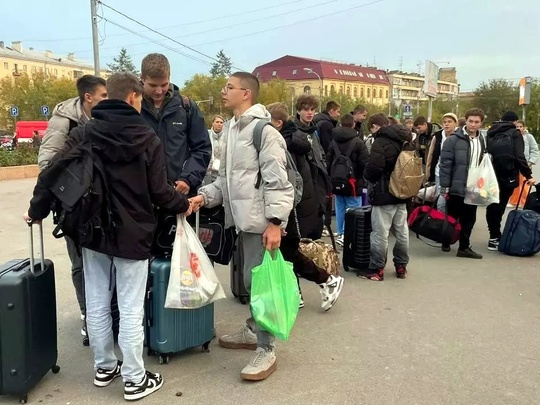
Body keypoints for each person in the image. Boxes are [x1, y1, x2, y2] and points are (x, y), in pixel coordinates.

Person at [24, 72, 192, 400]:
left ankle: (104, 367)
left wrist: (36, 210)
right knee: (130, 307)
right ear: (132, 98)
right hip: (133, 234)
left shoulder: (86, 132)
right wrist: (182, 203)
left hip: (92, 232)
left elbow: (52, 173)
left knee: (98, 300)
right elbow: (160, 193)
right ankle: (134, 379)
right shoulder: (146, 138)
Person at [190, 72, 294, 382]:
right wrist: (204, 196)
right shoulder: (232, 130)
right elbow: (225, 180)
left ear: (246, 93)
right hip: (241, 221)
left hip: (260, 223)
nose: (223, 91)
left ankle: (266, 349)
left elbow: (279, 182)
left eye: (229, 87)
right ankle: (252, 331)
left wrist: (275, 223)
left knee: (258, 285)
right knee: (250, 282)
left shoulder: (264, 132)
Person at [37, 74, 107, 336]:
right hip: (74, 208)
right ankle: (88, 317)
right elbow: (47, 166)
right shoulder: (63, 121)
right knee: (80, 264)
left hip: (101, 205)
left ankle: (105, 315)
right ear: (88, 98)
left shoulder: (103, 118)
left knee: (104, 263)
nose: (107, 100)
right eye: (103, 96)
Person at [267, 102, 344, 311]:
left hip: (293, 206)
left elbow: (289, 180)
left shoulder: (286, 144)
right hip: (298, 204)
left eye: (268, 122)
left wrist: (281, 213)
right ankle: (297, 292)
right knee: (286, 252)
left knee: (288, 252)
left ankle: (327, 280)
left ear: (278, 123)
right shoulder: (295, 140)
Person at [139, 53, 211, 195]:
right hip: (142, 196)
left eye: (164, 84)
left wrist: (188, 178)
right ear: (142, 79)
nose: (159, 91)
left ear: (170, 77)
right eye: (153, 85)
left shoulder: (186, 107)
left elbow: (202, 149)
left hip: (178, 193)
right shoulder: (132, 108)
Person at [362, 115, 412, 281]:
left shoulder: (381, 141)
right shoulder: (407, 139)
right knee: (402, 232)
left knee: (380, 233)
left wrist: (367, 177)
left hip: (384, 193)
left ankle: (377, 269)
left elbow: (374, 168)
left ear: (376, 126)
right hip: (403, 191)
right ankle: (401, 266)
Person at [439, 108, 486, 259]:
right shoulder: (452, 140)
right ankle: (446, 240)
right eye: (471, 121)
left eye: (477, 122)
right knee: (452, 217)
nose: (473, 124)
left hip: (474, 187)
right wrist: (444, 186)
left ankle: (464, 247)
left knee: (470, 218)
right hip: (456, 186)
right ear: (465, 121)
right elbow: (445, 164)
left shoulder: (482, 140)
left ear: (481, 123)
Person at [485, 111, 535, 251]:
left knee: (492, 205)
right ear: (514, 122)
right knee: (500, 206)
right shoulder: (515, 133)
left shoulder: (491, 132)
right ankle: (496, 236)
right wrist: (528, 174)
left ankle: (493, 237)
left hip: (491, 175)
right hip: (508, 175)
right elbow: (519, 156)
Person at [327, 113, 369, 246]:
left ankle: (340, 232)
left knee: (340, 207)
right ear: (353, 125)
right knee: (353, 209)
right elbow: (364, 163)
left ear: (340, 124)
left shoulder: (333, 142)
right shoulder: (358, 143)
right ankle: (347, 235)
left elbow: (328, 161)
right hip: (353, 182)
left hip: (337, 181)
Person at [292, 94, 330, 239]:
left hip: (318, 186)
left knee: (316, 232)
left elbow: (320, 154)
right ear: (299, 111)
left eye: (312, 109)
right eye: (306, 109)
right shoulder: (295, 132)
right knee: (304, 234)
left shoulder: (314, 132)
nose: (309, 113)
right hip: (304, 186)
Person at [425, 113, 458, 247]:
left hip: (456, 175)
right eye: (444, 121)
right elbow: (431, 155)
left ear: (455, 123)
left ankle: (452, 229)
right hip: (440, 173)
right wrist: (429, 174)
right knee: (441, 202)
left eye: (450, 121)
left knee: (454, 203)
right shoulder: (438, 136)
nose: (446, 124)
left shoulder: (460, 136)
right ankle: (441, 229)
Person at [508, 120, 539, 207]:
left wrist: (530, 162)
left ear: (524, 127)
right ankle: (514, 201)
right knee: (515, 183)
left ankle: (525, 201)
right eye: (517, 127)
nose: (519, 128)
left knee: (525, 183)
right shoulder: (512, 136)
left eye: (520, 126)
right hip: (514, 164)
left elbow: (534, 150)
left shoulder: (529, 137)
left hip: (525, 165)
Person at [207, 114, 225, 182]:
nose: (219, 124)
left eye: (221, 122)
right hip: (209, 172)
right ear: (213, 123)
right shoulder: (206, 135)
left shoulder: (227, 136)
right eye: (217, 122)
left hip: (222, 172)